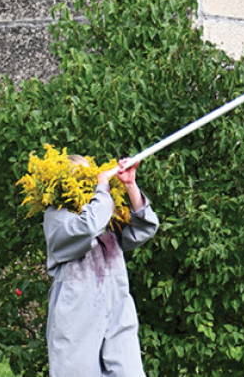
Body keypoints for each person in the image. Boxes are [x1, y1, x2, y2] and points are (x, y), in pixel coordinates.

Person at [44, 156, 159, 377]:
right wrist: (104, 190)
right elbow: (87, 227)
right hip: (76, 316)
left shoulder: (104, 213)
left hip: (117, 309)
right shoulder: (57, 215)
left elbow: (143, 229)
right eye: (81, 178)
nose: (89, 183)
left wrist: (130, 184)